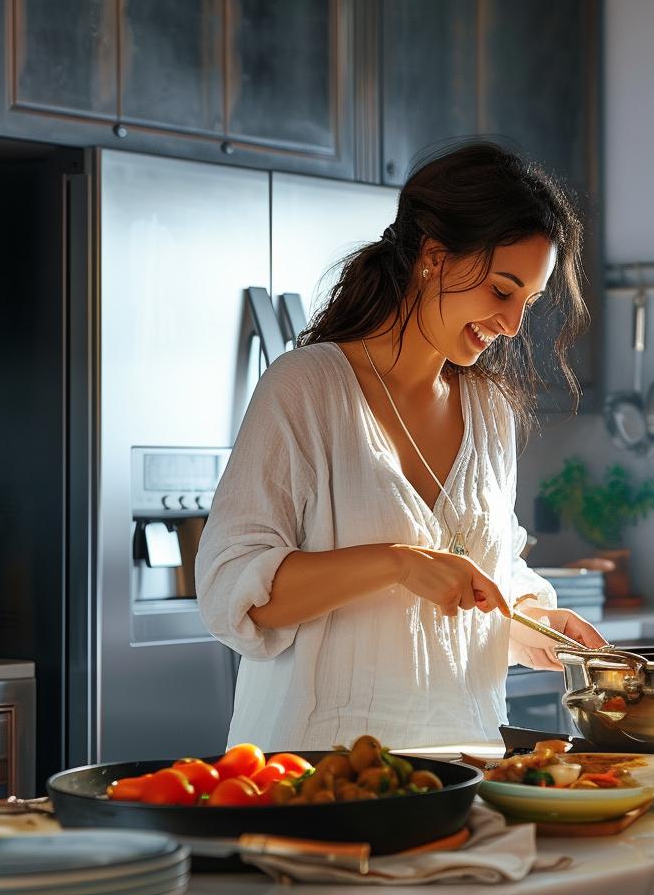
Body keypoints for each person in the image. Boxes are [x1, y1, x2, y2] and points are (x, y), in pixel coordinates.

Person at [196, 142, 608, 750]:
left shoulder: (489, 411)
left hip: (466, 770)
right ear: (434, 259)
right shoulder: (308, 388)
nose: (515, 325)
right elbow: (234, 593)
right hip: (318, 778)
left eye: (530, 301)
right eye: (501, 291)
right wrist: (398, 562)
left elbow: (485, 568)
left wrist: (534, 624)